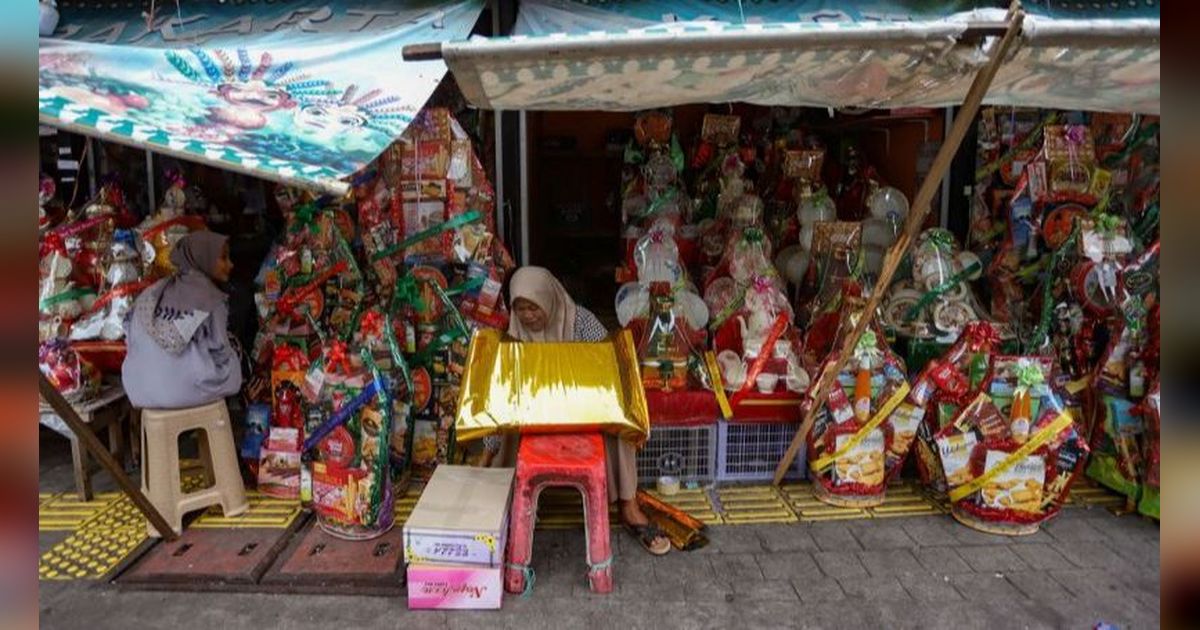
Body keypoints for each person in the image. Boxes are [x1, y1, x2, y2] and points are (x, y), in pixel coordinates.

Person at [493, 266, 671, 556]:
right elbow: (501, 393)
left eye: (533, 307)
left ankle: (629, 506)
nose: (527, 315)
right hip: (535, 417)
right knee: (504, 422)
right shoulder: (513, 335)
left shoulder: (581, 322)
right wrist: (488, 447)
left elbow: (610, 366)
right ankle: (509, 506)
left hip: (582, 413)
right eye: (520, 308)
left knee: (617, 417)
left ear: (548, 299)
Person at [122, 231, 242, 409]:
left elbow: (129, 335)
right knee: (233, 364)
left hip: (137, 389)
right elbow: (220, 348)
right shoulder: (210, 298)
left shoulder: (155, 291)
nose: (230, 265)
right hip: (181, 392)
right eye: (223, 258)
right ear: (203, 258)